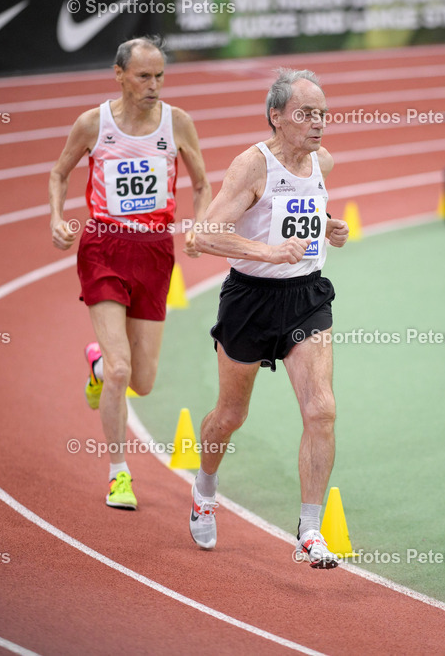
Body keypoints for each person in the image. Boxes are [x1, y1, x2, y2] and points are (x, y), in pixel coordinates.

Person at [186, 68, 349, 569]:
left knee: (321, 409)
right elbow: (202, 235)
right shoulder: (251, 166)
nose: (317, 123)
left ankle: (308, 532)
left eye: (322, 113)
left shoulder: (321, 160)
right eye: (305, 113)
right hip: (251, 300)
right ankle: (204, 490)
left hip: (306, 297)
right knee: (232, 415)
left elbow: (301, 214)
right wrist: (268, 252)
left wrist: (328, 227)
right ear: (276, 117)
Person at [49, 36, 211, 510]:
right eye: (144, 76)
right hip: (104, 247)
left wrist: (198, 228)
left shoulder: (177, 123)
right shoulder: (93, 124)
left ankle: (97, 362)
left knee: (142, 381)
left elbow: (202, 184)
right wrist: (57, 218)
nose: (154, 85)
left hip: (156, 253)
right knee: (123, 372)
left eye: (160, 75)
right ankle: (119, 474)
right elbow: (59, 172)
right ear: (119, 75)